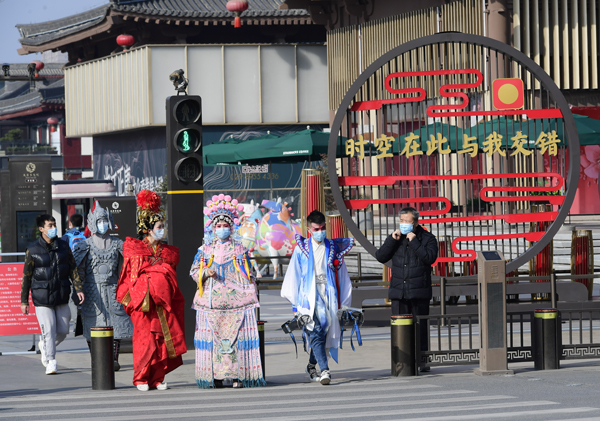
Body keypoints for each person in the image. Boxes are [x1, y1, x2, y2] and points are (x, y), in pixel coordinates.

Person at [189, 194, 266, 389]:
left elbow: (250, 273)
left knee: (237, 338)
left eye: (225, 225)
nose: (222, 229)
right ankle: (215, 376)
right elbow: (193, 272)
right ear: (212, 228)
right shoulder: (204, 250)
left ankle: (237, 376)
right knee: (215, 340)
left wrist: (249, 284)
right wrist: (205, 272)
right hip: (211, 302)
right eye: (218, 226)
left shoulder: (240, 249)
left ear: (232, 227)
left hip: (236, 303)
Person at [116, 190, 186, 391]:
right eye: (159, 227)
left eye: (162, 226)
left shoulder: (168, 252)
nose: (162, 230)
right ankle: (140, 377)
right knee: (145, 340)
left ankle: (157, 378)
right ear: (147, 229)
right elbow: (128, 277)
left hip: (163, 303)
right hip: (143, 304)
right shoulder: (135, 249)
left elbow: (171, 274)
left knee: (163, 339)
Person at [281, 210, 354, 385]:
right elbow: (294, 275)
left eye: (322, 228)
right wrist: (295, 304)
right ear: (308, 228)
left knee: (325, 330)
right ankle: (325, 370)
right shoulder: (302, 249)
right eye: (316, 228)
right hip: (309, 296)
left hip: (328, 293)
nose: (320, 231)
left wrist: (344, 302)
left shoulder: (334, 248)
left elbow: (342, 276)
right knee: (315, 330)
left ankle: (312, 365)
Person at [375, 207, 438, 372]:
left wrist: (414, 241)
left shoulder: (428, 238)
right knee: (399, 328)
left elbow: (430, 258)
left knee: (420, 327)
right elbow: (381, 256)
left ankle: (422, 360)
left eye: (407, 221)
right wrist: (391, 240)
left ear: (416, 223)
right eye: (401, 221)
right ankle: (401, 361)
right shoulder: (396, 238)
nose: (403, 224)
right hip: (399, 291)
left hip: (419, 291)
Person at [20, 214, 84, 375]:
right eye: (50, 225)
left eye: (54, 224)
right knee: (48, 330)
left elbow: (73, 269)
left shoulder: (63, 246)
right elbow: (26, 277)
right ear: (41, 229)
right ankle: (51, 361)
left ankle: (45, 346)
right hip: (42, 297)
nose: (53, 228)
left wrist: (78, 288)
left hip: (61, 294)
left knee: (63, 331)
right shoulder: (33, 250)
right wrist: (24, 301)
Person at [73, 201, 133, 371]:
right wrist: (77, 290)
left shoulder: (118, 244)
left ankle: (113, 358)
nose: (103, 224)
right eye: (99, 221)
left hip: (113, 288)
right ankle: (97, 358)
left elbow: (126, 267)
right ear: (92, 222)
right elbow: (79, 271)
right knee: (93, 323)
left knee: (116, 323)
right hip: (92, 290)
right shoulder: (84, 245)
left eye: (105, 220)